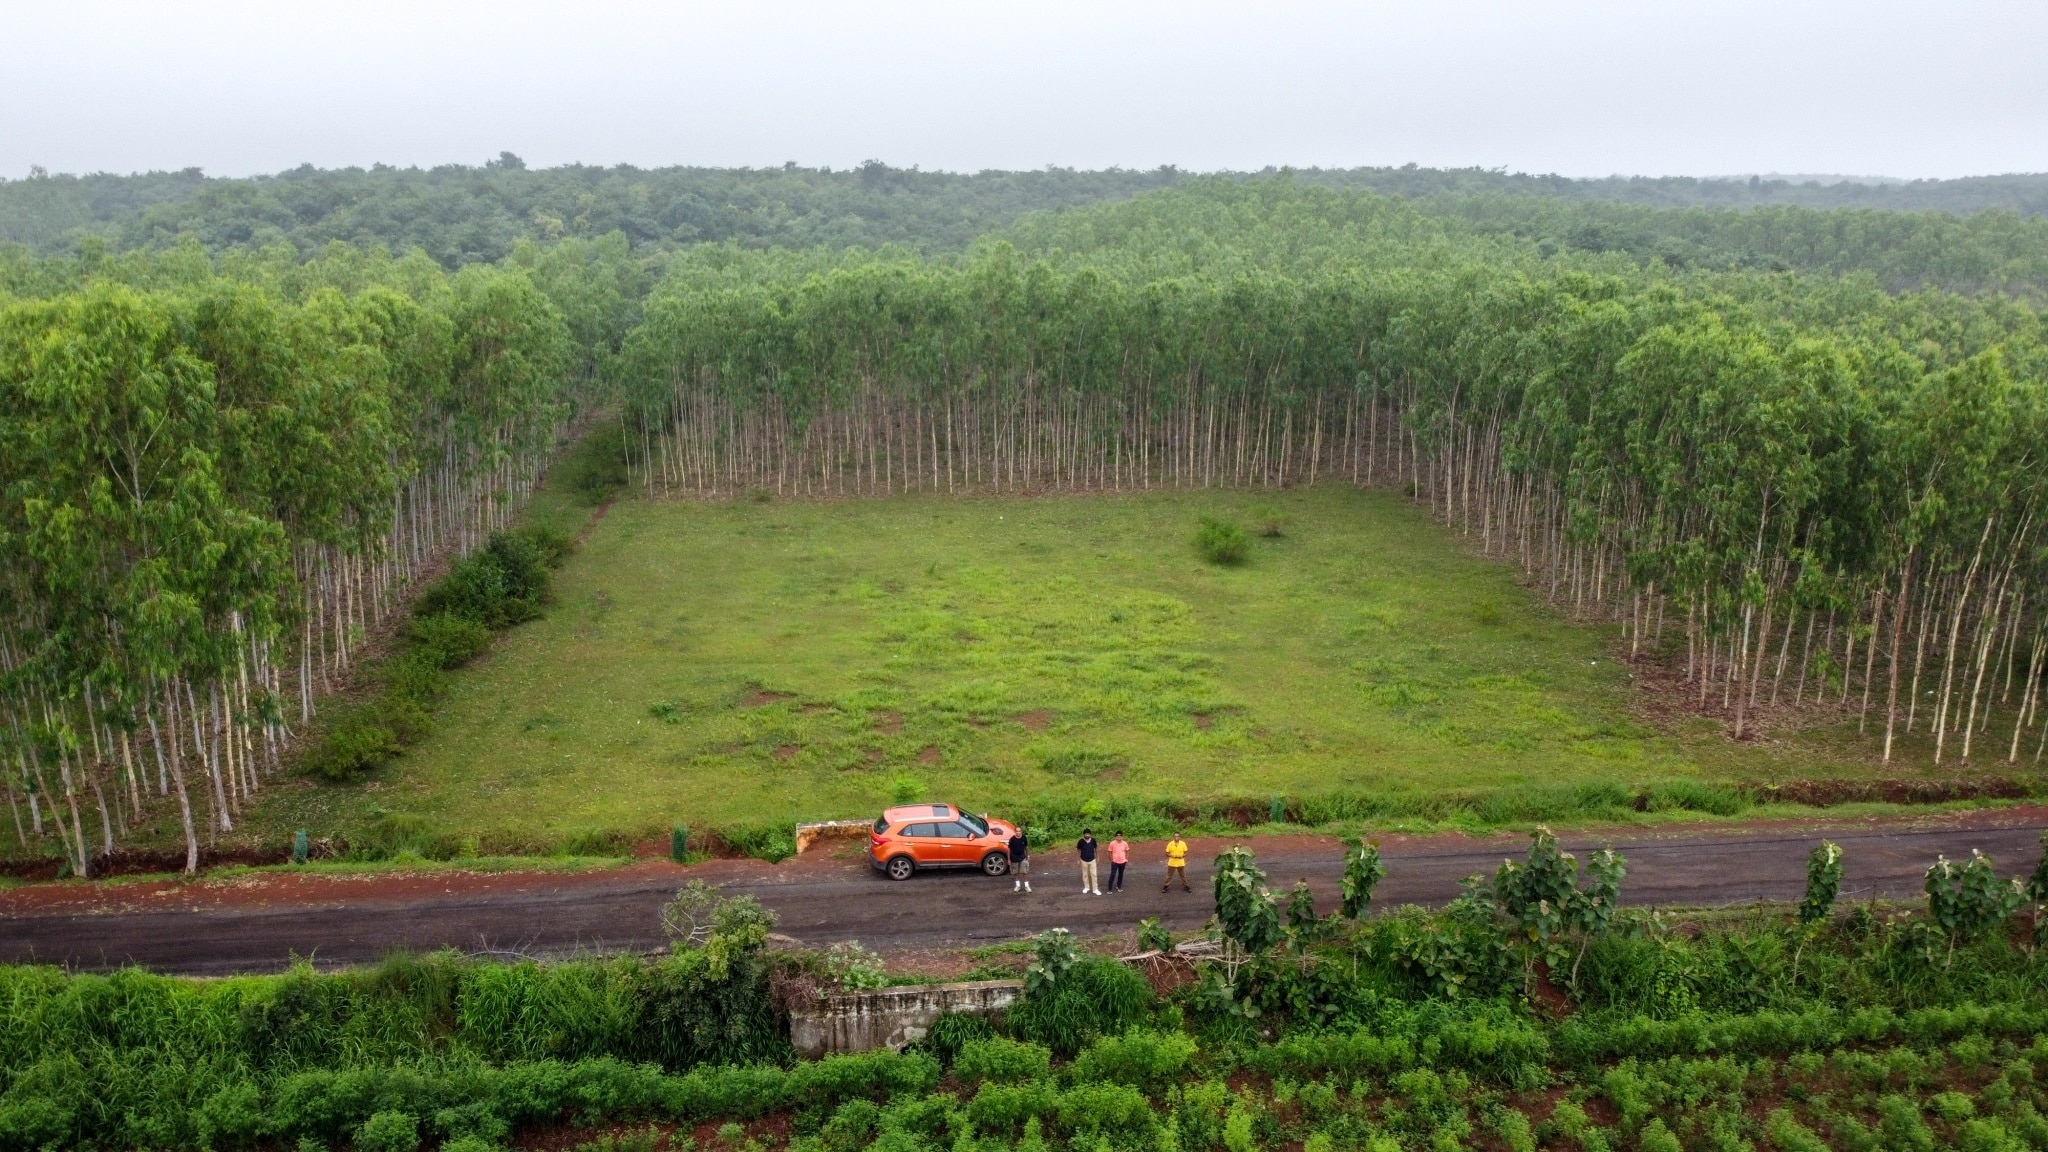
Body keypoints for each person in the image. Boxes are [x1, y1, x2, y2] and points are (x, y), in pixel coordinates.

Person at [1076, 829, 1100, 895]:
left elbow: (1096, 849)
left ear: (1090, 834)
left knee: (1094, 874)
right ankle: (1086, 887)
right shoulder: (1080, 841)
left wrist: (1098, 857)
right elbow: (1078, 850)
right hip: (1083, 860)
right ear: (1083, 834)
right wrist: (1078, 859)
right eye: (1086, 834)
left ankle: (1095, 889)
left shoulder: (1093, 840)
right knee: (1085, 875)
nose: (1087, 835)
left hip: (1092, 860)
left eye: (1088, 834)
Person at [1008, 825, 1031, 893]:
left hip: (1022, 857)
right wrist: (1008, 859)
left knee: (1025, 872)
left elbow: (1026, 847)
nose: (1018, 832)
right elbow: (1009, 849)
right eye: (1017, 831)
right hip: (1014, 858)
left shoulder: (1024, 838)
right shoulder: (1012, 839)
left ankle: (1027, 886)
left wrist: (1028, 856)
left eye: (1019, 831)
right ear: (1015, 832)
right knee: (1016, 873)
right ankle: (1018, 886)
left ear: (1021, 831)